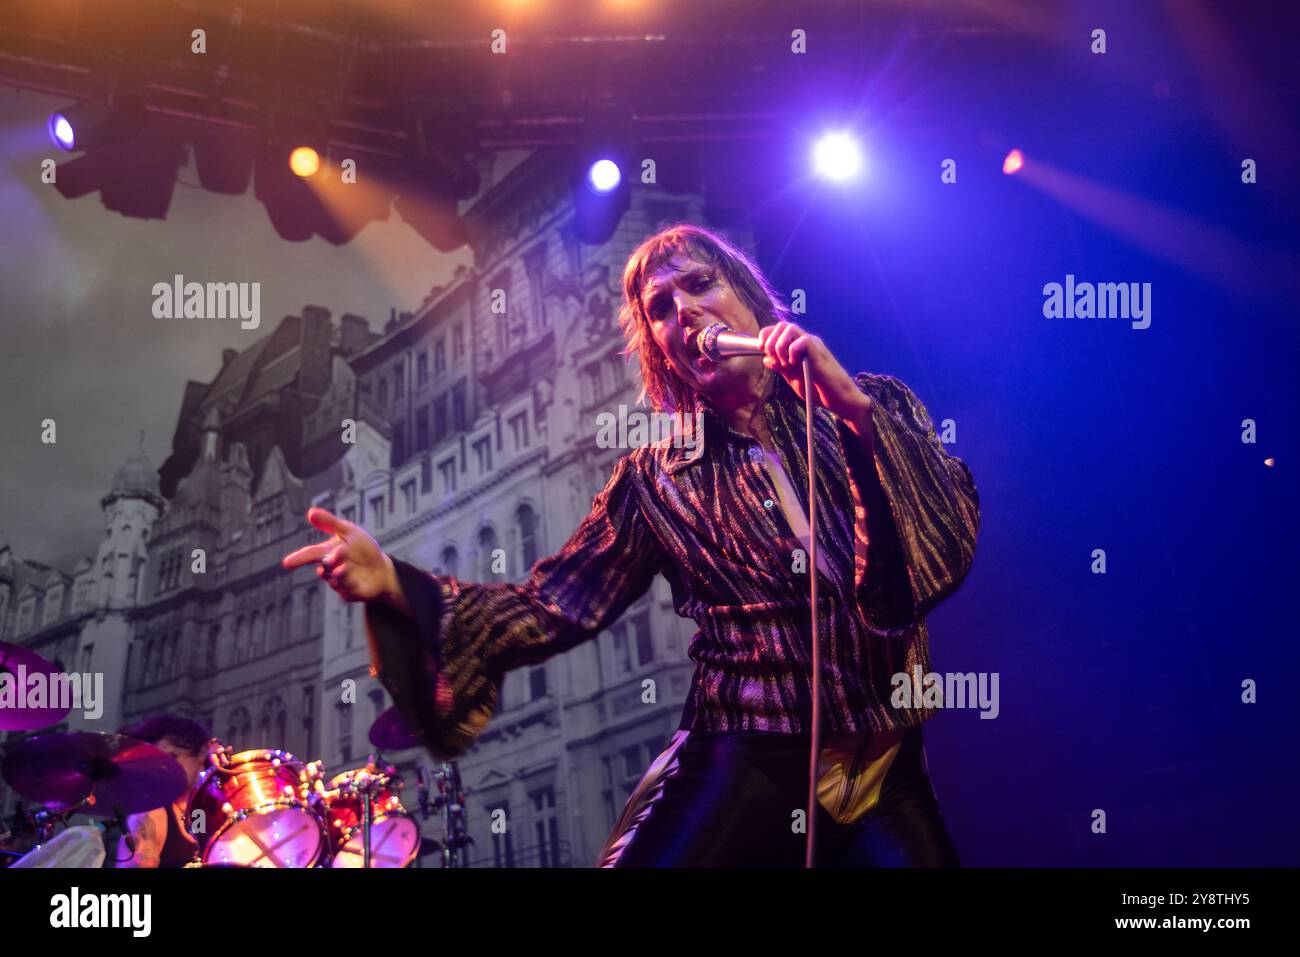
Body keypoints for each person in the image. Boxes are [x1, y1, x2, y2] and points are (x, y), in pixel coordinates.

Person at [282, 223, 980, 867]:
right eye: (661, 308)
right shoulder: (653, 479)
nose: (685, 314)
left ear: (748, 296)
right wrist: (399, 584)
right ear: (657, 346)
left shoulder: (870, 405)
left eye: (701, 285)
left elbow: (926, 560)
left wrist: (850, 413)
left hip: (884, 763)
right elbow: (553, 603)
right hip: (749, 754)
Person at [115, 715, 210, 868]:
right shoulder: (151, 812)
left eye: (173, 756)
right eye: (159, 762)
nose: (166, 768)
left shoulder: (210, 812)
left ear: (201, 753)